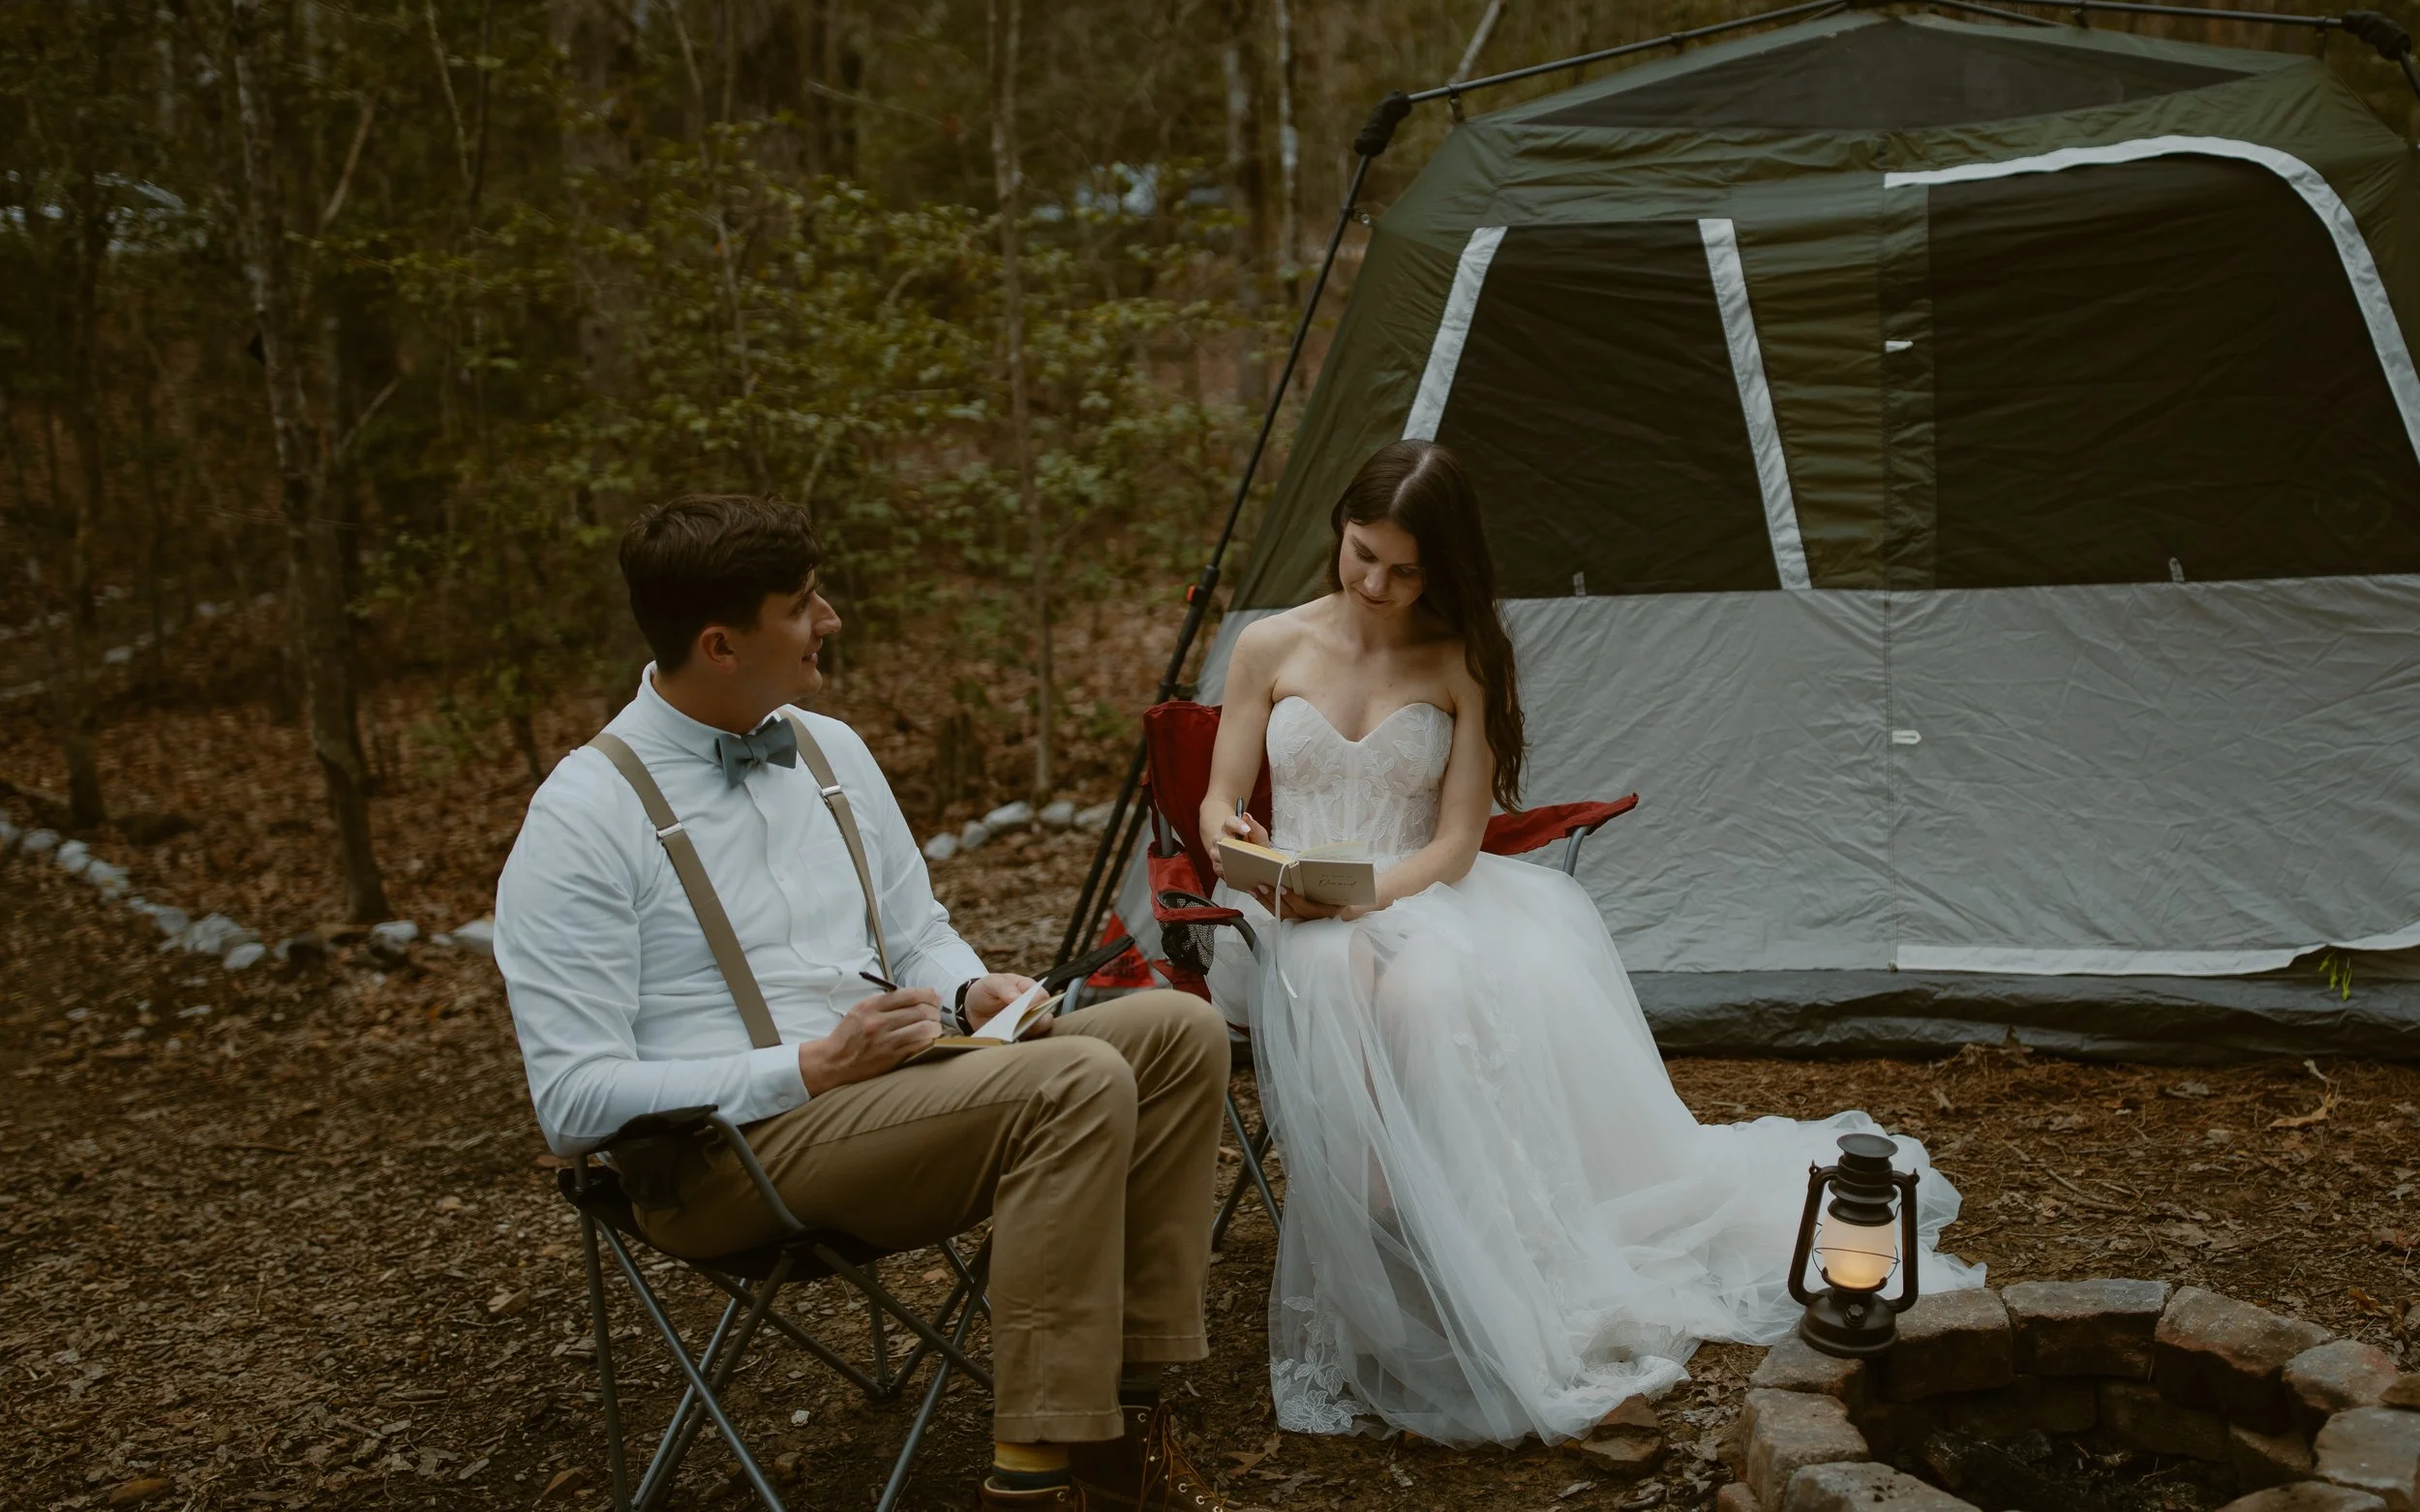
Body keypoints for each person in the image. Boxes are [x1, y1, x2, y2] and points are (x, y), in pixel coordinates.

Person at [1198, 441, 1984, 1447]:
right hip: (1282, 913)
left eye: (1406, 568)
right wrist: (1246, 846)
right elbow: (1221, 799)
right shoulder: (1270, 644)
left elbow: (1452, 844)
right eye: (1362, 556)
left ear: (1445, 565)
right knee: (1342, 972)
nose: (1378, 585)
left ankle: (1461, 1261)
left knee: (1426, 989)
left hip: (1409, 890)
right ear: (1336, 535)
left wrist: (1360, 895)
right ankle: (1390, 1248)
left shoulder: (1458, 655)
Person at [496, 494, 1234, 1511]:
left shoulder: (829, 748)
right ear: (719, 643)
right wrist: (808, 1067)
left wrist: (970, 980)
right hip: (724, 1153)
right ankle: (1031, 1479)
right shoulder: (582, 816)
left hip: (898, 1094)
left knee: (1177, 1030)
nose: (830, 618)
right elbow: (572, 1101)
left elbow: (915, 925)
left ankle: (1125, 1426)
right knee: (1074, 1078)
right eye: (800, 605)